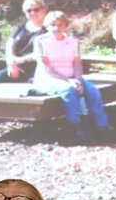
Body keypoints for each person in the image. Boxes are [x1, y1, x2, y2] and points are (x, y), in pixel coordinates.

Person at [32, 11, 111, 140]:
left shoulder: (73, 41)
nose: (56, 28)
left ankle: (102, 126)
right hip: (49, 78)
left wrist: (78, 79)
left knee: (92, 90)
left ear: (65, 26)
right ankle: (76, 126)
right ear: (47, 26)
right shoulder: (41, 41)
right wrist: (69, 81)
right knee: (68, 90)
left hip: (72, 77)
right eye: (53, 25)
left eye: (60, 25)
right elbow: (47, 68)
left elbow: (77, 63)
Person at [0, 0, 48, 84]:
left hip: (37, 69)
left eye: (36, 9)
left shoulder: (49, 29)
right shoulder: (21, 28)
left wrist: (18, 60)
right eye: (29, 10)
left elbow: (43, 53)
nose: (33, 13)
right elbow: (9, 45)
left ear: (44, 10)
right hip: (16, 68)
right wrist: (11, 64)